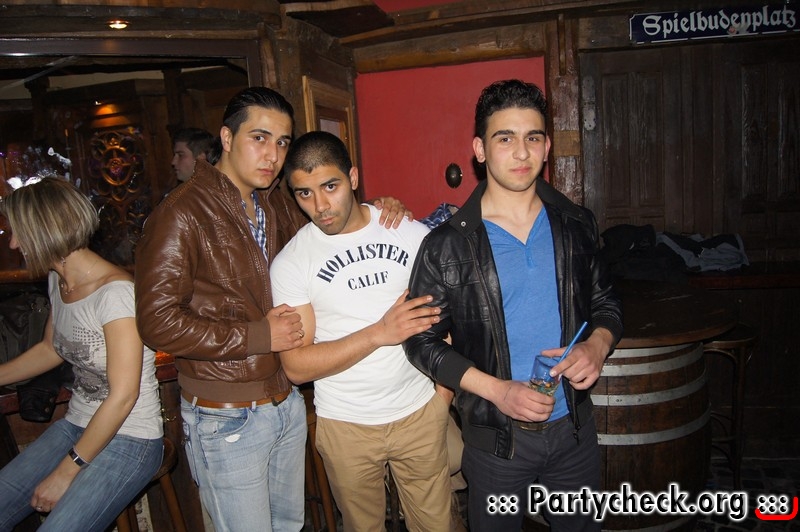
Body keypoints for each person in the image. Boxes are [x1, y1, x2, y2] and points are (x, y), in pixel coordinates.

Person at [134, 87, 409, 532]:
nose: (273, 155)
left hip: (285, 401)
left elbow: (334, 222)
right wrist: (259, 335)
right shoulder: (181, 213)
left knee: (290, 526)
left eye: (282, 142)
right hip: (225, 413)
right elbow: (156, 322)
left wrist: (378, 211)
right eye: (259, 138)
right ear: (227, 138)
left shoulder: (275, 201)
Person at [404, 79, 624, 532]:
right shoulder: (446, 246)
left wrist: (598, 345)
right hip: (496, 440)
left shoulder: (576, 224)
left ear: (546, 147)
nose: (522, 152)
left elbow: (606, 303)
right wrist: (497, 391)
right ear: (480, 150)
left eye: (533, 138)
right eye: (505, 138)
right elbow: (421, 342)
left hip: (574, 429)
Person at [270, 130, 452, 532]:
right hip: (345, 426)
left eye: (330, 186)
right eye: (304, 193)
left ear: (353, 178)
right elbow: (296, 367)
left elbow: (447, 323)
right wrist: (378, 332)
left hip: (419, 412)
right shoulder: (291, 263)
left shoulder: (409, 234)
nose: (320, 206)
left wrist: (442, 400)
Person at [0, 176, 163, 532]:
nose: (13, 243)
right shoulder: (59, 281)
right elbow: (50, 350)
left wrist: (66, 471)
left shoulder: (115, 293)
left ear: (44, 231)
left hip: (131, 436)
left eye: (18, 232)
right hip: (78, 423)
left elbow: (124, 396)